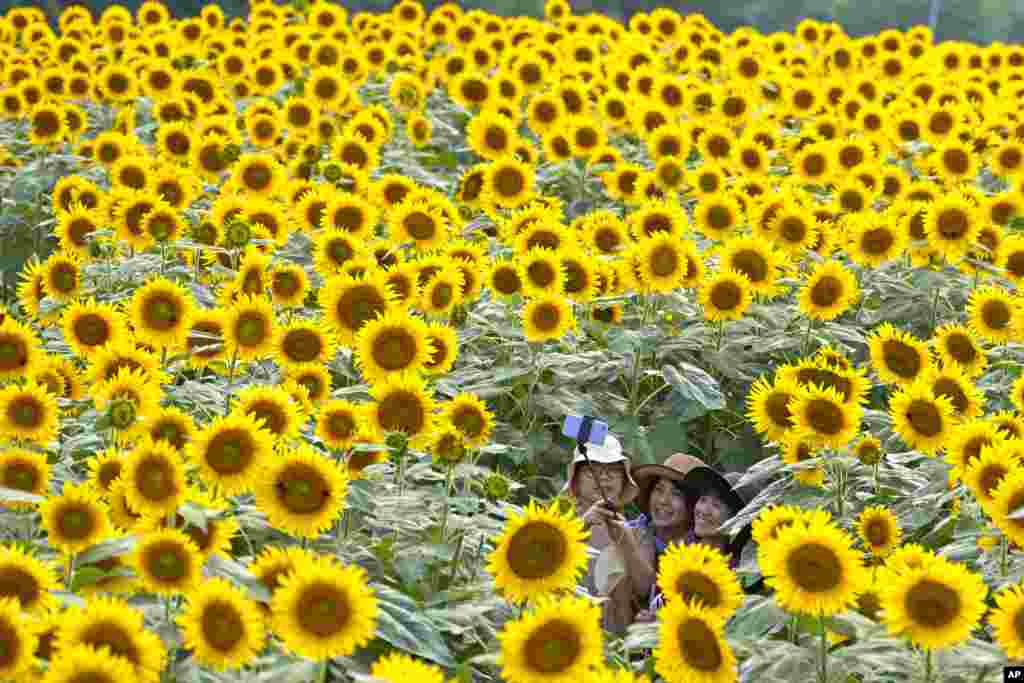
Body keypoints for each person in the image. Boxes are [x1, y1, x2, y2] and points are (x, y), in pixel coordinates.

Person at [584, 452, 707, 625]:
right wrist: (584, 525)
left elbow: (647, 588)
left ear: (693, 505)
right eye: (659, 489)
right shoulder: (634, 529)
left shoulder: (703, 549)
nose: (664, 500)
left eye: (676, 494)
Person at [560, 433, 640, 633]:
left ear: (624, 481)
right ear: (575, 483)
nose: (603, 477)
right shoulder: (558, 526)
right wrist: (583, 525)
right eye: (592, 471)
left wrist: (627, 542)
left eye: (613, 471)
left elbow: (645, 588)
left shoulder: (637, 532)